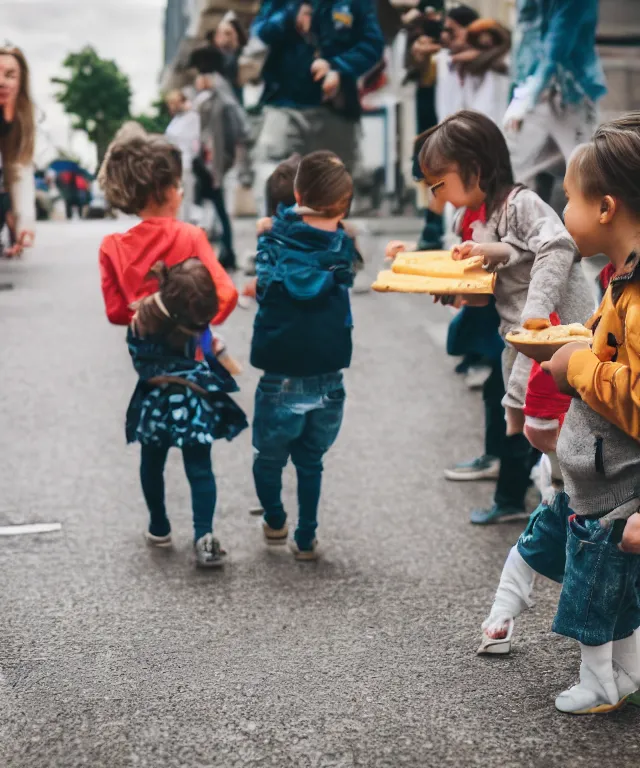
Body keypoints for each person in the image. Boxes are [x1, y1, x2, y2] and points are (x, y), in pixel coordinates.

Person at [480, 114, 640, 715]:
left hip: (615, 479)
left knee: (596, 594)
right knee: (614, 592)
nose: (561, 211)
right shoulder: (620, 280)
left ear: (604, 207)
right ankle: (622, 674)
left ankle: (600, 683)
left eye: (567, 199)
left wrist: (575, 366)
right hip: (599, 471)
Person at [414, 110, 593, 524]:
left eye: (439, 182)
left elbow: (557, 247)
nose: (435, 194)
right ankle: (553, 500)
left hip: (557, 334)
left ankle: (550, 502)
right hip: (521, 337)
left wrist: (533, 316)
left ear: (475, 170)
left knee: (554, 417)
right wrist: (458, 292)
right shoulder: (468, 217)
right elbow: (492, 286)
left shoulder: (521, 204)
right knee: (529, 415)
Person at [98, 136, 242, 566]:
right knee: (199, 457)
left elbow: (113, 313)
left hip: (151, 375)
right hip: (192, 369)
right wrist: (198, 320)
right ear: (164, 189)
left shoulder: (113, 246)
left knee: (152, 452)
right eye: (178, 184)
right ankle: (204, 536)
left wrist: (149, 310)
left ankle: (159, 525)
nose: (182, 192)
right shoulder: (190, 235)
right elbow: (226, 294)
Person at [250, 151, 356, 560]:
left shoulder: (273, 237)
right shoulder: (343, 246)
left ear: (295, 194)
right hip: (329, 373)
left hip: (280, 371)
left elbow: (262, 286)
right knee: (311, 461)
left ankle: (275, 518)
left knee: (269, 457)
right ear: (343, 206)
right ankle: (306, 537)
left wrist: (273, 227)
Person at [124, 259, 247, 567]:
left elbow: (141, 362)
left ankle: (159, 527)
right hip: (193, 403)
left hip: (155, 404)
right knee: (200, 467)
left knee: (152, 463)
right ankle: (204, 535)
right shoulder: (195, 327)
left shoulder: (142, 319)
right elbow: (212, 351)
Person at [251, 0, 384, 204]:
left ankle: (327, 234)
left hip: (335, 111)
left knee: (332, 191)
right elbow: (260, 31)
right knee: (276, 177)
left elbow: (372, 45)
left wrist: (338, 67)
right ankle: (277, 234)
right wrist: (290, 16)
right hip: (284, 106)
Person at [504, 0, 606, 203]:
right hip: (532, 95)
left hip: (569, 95)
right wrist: (519, 94)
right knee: (521, 174)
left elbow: (557, 45)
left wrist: (525, 97)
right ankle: (525, 229)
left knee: (585, 172)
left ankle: (600, 228)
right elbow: (525, 42)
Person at [192, 72, 251, 271]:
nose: (197, 82)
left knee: (221, 211)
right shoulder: (208, 102)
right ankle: (224, 252)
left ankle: (228, 253)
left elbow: (234, 135)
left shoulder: (223, 104)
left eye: (200, 77)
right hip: (211, 166)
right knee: (216, 210)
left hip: (221, 166)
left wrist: (227, 163)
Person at [0, 46, 35, 258]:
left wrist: (25, 224)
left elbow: (20, 170)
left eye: (10, 75)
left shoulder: (21, 122)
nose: (2, 81)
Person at [165, 90, 201, 224]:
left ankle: (185, 227)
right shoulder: (177, 119)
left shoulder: (191, 117)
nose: (171, 107)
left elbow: (193, 141)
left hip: (185, 163)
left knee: (185, 198)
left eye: (173, 103)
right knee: (177, 197)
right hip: (174, 164)